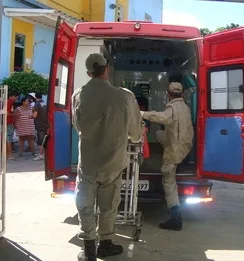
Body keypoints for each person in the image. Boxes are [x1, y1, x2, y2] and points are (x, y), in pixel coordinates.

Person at [72, 53, 143, 261]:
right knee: (109, 205)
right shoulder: (124, 96)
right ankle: (105, 244)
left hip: (88, 162)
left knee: (84, 203)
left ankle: (88, 249)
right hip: (113, 162)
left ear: (88, 73)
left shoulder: (78, 95)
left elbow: (77, 125)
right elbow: (136, 134)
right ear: (107, 68)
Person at [140, 82, 194, 231]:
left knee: (168, 180)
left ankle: (176, 219)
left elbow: (162, 118)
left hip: (175, 149)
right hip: (185, 145)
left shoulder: (172, 108)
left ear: (169, 94)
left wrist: (142, 114)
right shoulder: (186, 107)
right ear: (182, 94)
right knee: (158, 133)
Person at [31, 93, 47, 160]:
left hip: (40, 124)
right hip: (45, 123)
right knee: (44, 139)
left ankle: (41, 155)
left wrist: (30, 116)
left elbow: (35, 115)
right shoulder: (44, 103)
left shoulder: (37, 104)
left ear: (35, 97)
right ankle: (42, 153)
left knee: (41, 140)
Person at [6, 91, 20, 160]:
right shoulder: (10, 102)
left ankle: (7, 154)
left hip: (7, 123)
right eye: (17, 97)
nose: (17, 99)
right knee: (9, 139)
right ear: (13, 96)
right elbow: (8, 113)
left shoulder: (8, 101)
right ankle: (9, 155)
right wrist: (15, 114)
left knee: (7, 139)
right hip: (8, 123)